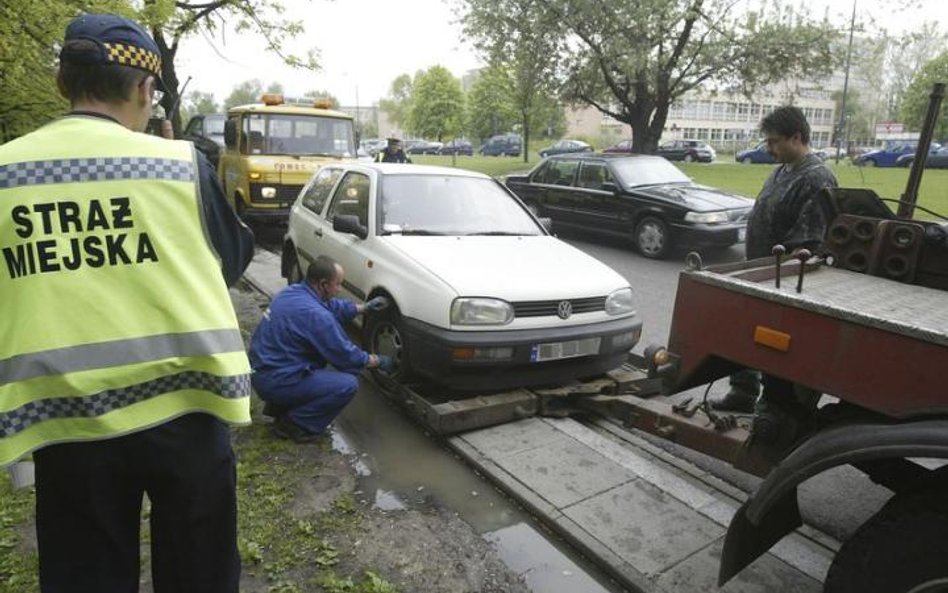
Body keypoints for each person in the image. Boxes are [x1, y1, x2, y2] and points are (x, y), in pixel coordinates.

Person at [0, 12, 255, 593]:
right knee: (200, 573)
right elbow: (232, 262)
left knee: (85, 574)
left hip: (65, 420)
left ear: (63, 84)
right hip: (186, 408)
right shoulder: (179, 166)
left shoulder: (7, 172)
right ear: (145, 90)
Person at [712, 105, 838, 414]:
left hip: (782, 278)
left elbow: (808, 242)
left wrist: (776, 273)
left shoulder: (817, 177)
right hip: (760, 270)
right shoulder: (782, 169)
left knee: (771, 343)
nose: (769, 148)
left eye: (774, 141)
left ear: (797, 137)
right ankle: (743, 391)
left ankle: (774, 406)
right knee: (742, 331)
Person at [249, 256, 394, 443]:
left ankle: (279, 407)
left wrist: (364, 308)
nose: (340, 289)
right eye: (338, 284)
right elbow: (346, 356)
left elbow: (332, 305)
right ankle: (295, 424)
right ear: (323, 284)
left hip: (262, 371)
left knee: (312, 366)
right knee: (346, 385)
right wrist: (376, 360)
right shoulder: (317, 317)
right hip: (277, 380)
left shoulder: (293, 292)